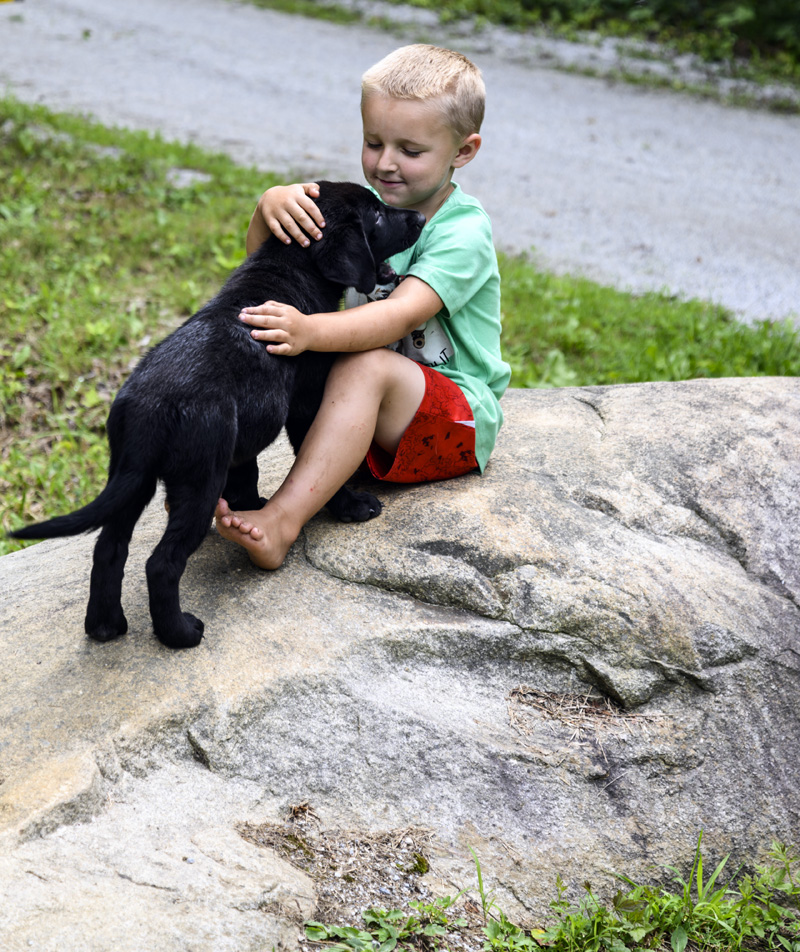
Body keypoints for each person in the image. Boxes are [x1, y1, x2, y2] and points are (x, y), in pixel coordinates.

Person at [215, 43, 511, 569]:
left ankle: (281, 521)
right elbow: (268, 267)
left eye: (410, 150)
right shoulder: (356, 209)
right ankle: (213, 478)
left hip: (451, 416)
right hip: (364, 413)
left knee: (358, 360)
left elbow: (399, 317)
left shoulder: (462, 231)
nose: (385, 163)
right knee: (248, 346)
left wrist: (309, 332)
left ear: (463, 152)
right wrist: (271, 208)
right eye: (373, 142)